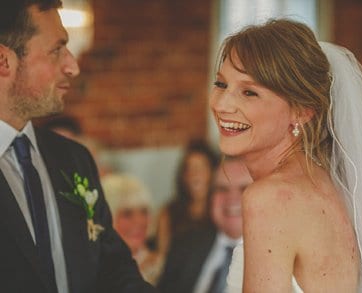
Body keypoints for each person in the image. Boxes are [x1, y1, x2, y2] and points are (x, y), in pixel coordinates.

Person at [209, 19, 362, 292]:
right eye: (221, 84)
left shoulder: (270, 198)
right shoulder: (331, 184)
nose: (222, 104)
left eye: (249, 92)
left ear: (302, 112)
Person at [0, 1, 153, 292]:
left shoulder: (73, 158)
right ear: (4, 61)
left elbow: (112, 267)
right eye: (56, 50)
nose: (73, 66)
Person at [158, 158, 250, 293]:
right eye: (222, 189)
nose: (232, 198)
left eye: (244, 188)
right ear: (210, 197)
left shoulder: (275, 255)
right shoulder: (184, 245)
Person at [155, 140, 216, 257]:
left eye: (201, 168)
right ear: (183, 175)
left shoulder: (221, 210)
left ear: (213, 172)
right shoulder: (168, 213)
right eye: (190, 168)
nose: (195, 174)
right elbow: (162, 256)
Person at [103, 174, 164, 285]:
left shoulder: (163, 266)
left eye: (144, 211)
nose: (139, 221)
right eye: (127, 213)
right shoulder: (95, 267)